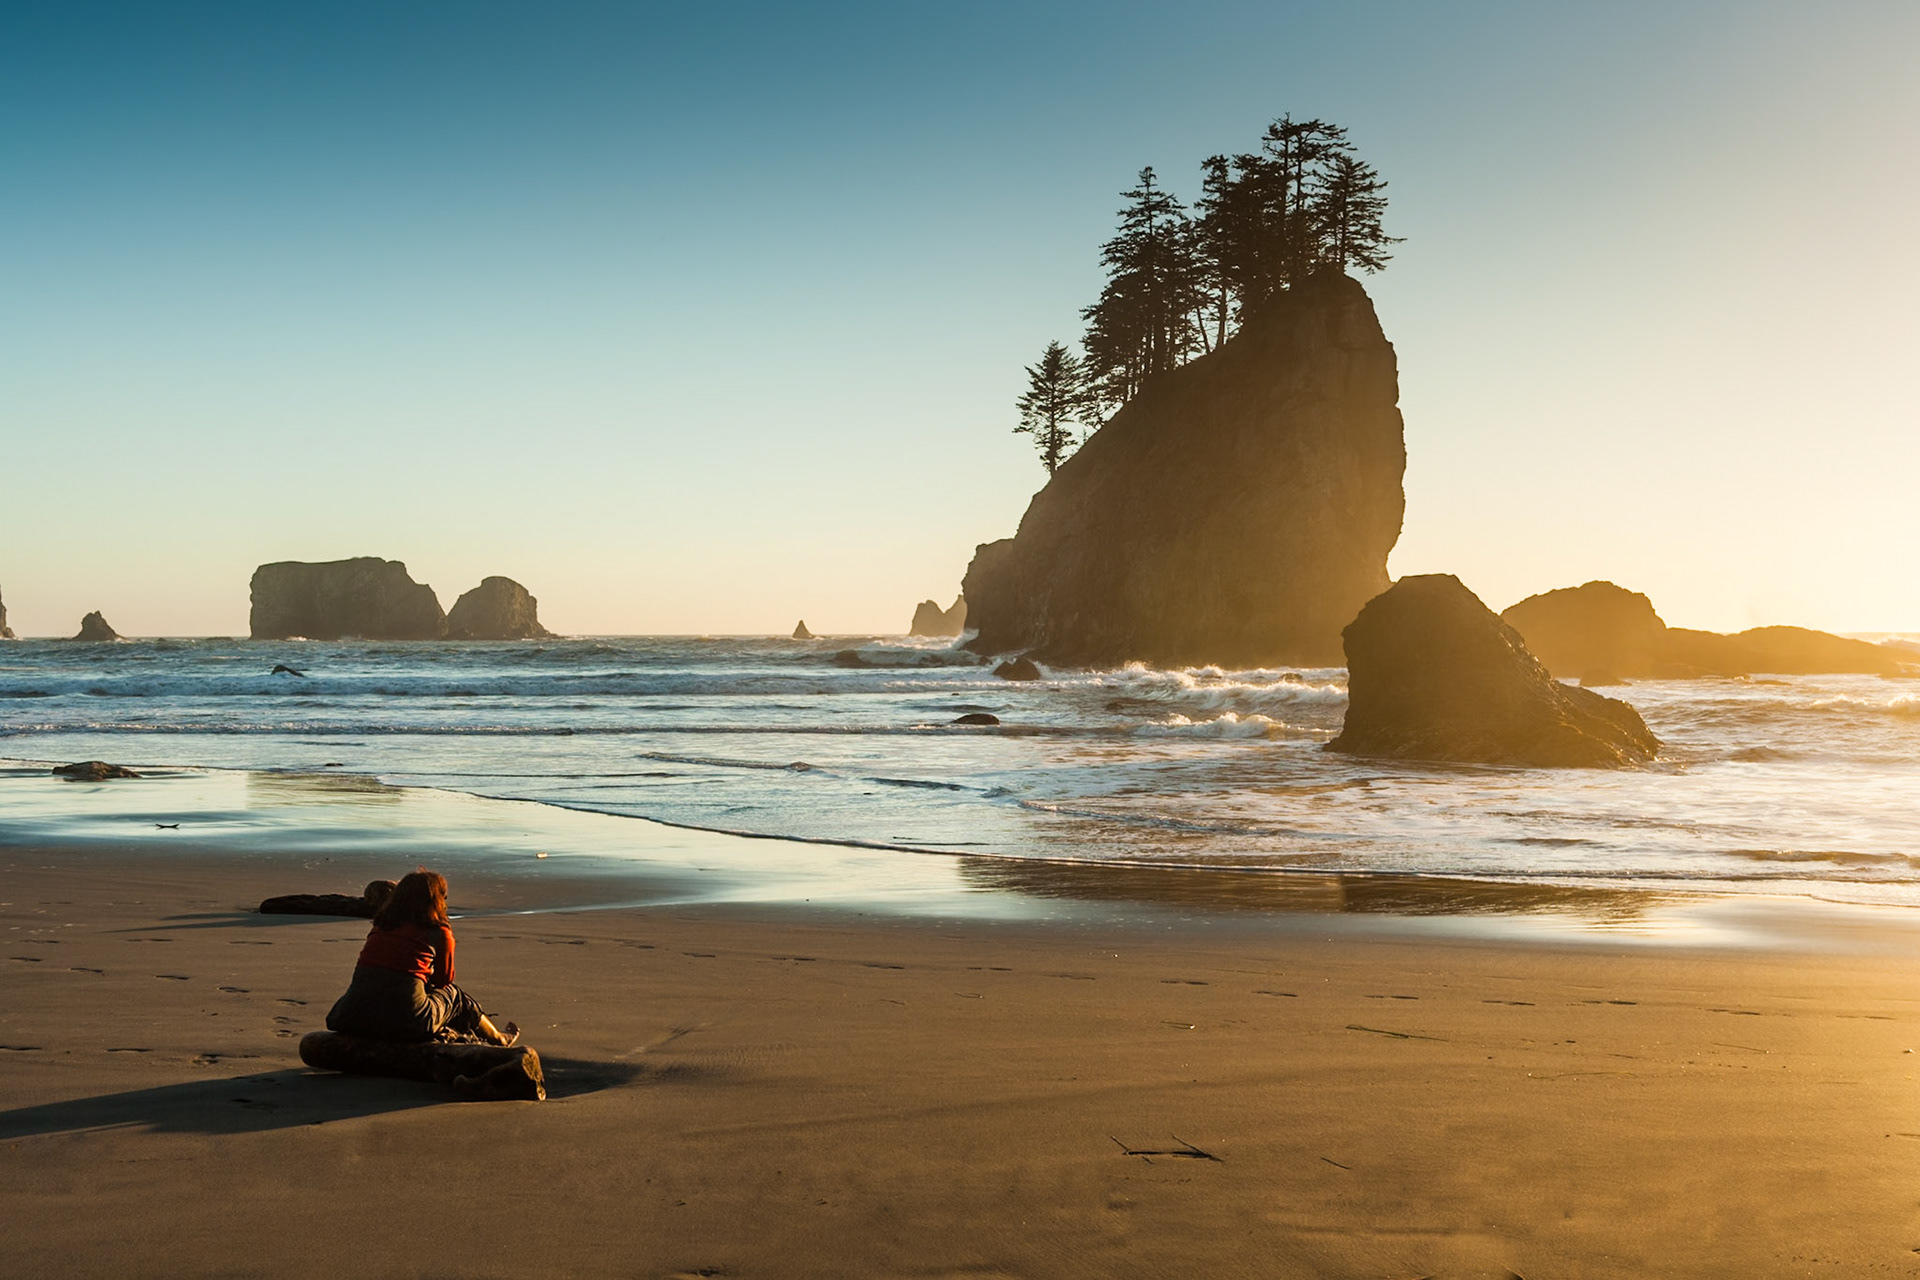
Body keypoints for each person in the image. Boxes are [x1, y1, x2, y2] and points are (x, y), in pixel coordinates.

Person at [325, 870, 518, 1047]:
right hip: (410, 1022)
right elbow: (443, 981)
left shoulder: (381, 926)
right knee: (456, 997)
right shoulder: (439, 932)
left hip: (351, 1016)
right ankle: (499, 1038)